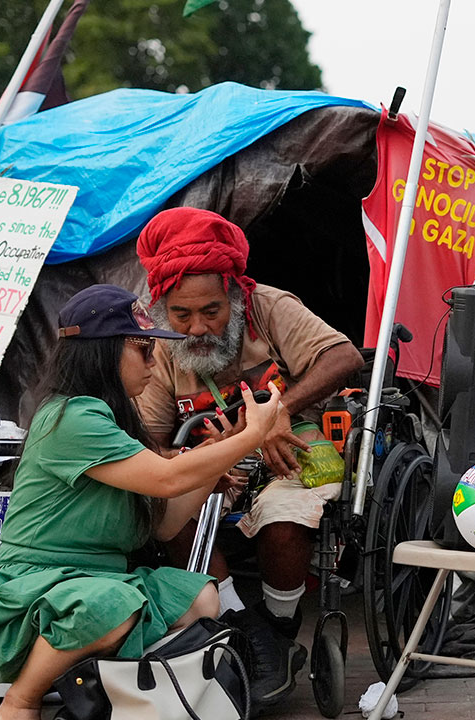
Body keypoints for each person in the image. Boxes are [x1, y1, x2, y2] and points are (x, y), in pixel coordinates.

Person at [0, 285, 283, 720]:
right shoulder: (71, 418)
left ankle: (112, 701)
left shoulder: (113, 420)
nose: (153, 362)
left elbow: (163, 526)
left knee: (201, 599)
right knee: (111, 608)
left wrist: (205, 478)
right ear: (103, 353)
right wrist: (250, 437)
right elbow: (166, 479)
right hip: (39, 585)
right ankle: (21, 701)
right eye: (143, 349)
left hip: (96, 584)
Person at [133, 207, 363, 705]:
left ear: (235, 297)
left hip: (290, 450)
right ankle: (242, 626)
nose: (197, 327)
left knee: (284, 520)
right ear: (161, 309)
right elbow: (149, 437)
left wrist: (280, 410)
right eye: (182, 315)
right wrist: (195, 459)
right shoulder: (158, 345)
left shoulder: (269, 307)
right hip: (217, 460)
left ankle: (279, 628)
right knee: (171, 507)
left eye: (212, 311)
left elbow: (344, 357)